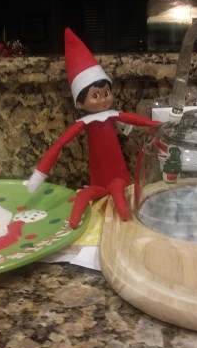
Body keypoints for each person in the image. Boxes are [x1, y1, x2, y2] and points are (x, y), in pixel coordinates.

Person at [27, 28, 159, 229]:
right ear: (79, 103)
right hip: (97, 182)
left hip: (119, 177)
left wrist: (160, 126)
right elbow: (60, 144)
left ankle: (116, 204)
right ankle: (75, 219)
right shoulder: (84, 123)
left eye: (106, 93)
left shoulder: (112, 115)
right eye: (95, 95)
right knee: (86, 195)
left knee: (118, 189)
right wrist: (39, 174)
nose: (104, 99)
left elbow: (138, 120)